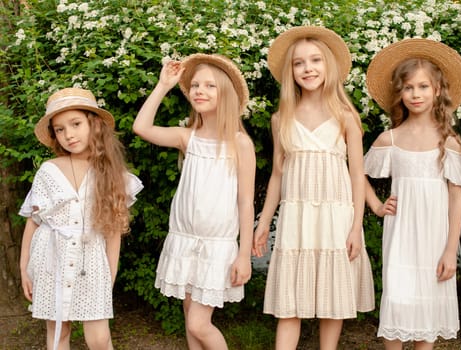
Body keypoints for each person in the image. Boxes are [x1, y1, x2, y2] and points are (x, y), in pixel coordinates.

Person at [252, 26, 375, 349]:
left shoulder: (345, 115)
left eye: (315, 60)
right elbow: (278, 175)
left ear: (329, 66)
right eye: (299, 63)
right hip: (297, 216)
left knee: (333, 297)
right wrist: (263, 223)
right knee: (289, 302)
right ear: (290, 72)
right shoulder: (282, 118)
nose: (308, 69)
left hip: (337, 216)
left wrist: (355, 226)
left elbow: (357, 175)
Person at [132, 53, 255, 350]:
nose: (200, 90)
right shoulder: (188, 138)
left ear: (225, 94)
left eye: (210, 86)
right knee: (190, 315)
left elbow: (246, 201)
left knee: (198, 323)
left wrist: (243, 255)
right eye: (196, 85)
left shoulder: (239, 143)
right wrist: (163, 86)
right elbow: (142, 128)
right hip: (185, 240)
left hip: (217, 245)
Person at [364, 38, 461, 350]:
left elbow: (456, 199)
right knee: (397, 300)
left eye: (423, 87)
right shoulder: (390, 139)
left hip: (435, 239)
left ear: (437, 91)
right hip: (400, 236)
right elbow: (357, 172)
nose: (415, 94)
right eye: (408, 88)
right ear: (400, 93)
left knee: (427, 307)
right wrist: (376, 205)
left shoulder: (447, 142)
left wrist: (451, 251)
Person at [19, 87, 144, 350]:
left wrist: (109, 276)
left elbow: (113, 232)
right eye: (60, 129)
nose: (69, 134)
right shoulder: (49, 170)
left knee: (99, 338)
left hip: (92, 262)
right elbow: (34, 220)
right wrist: (24, 267)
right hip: (50, 259)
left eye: (75, 124)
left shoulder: (111, 174)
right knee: (58, 332)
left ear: (93, 124)